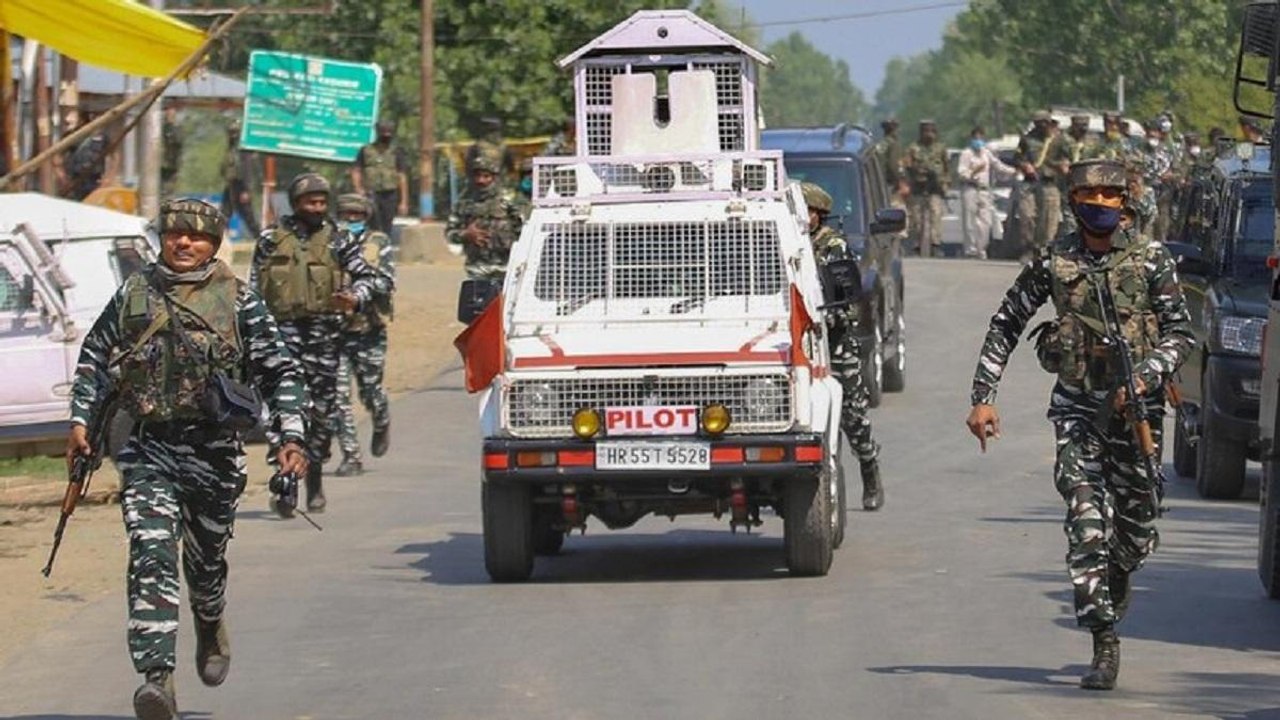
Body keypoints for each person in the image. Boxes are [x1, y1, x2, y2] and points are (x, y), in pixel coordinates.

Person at [67, 199, 309, 720]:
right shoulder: (135, 293)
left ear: (214, 243)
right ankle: (157, 680)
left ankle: (209, 616)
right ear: (162, 238)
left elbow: (280, 372)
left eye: (196, 237)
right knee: (151, 551)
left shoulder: (240, 301)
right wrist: (80, 420)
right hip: (147, 447)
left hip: (214, 453)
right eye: (175, 233)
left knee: (205, 564)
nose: (184, 243)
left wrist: (291, 436)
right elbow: (93, 359)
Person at [964, 160, 1193, 691]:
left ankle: (1116, 577)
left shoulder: (1152, 260)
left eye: (1109, 195)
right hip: (1078, 411)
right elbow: (1006, 322)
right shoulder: (1054, 260)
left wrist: (1145, 376)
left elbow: (1181, 332)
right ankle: (1104, 643)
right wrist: (983, 398)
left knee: (1136, 531)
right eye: (1089, 194)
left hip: (1137, 412)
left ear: (1125, 202)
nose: (1100, 203)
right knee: (1085, 522)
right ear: (1072, 200)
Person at [249, 173, 392, 511]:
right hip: (280, 339)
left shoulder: (338, 240)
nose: (317, 208)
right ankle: (285, 487)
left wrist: (355, 297)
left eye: (321, 202)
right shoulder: (270, 239)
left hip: (324, 338)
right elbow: (253, 290)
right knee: (280, 414)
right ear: (296, 204)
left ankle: (314, 480)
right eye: (310, 202)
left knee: (322, 415)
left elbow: (372, 277)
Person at [801, 182, 883, 509]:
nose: (801, 218)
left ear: (818, 215)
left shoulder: (833, 247)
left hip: (835, 342)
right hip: (802, 345)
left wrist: (826, 318)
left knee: (853, 415)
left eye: (807, 212)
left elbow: (849, 303)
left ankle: (869, 469)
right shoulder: (788, 241)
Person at [331, 193, 396, 477]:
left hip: (368, 329)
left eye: (357, 216)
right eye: (347, 215)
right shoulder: (328, 242)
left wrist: (357, 294)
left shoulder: (378, 242)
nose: (351, 220)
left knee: (371, 392)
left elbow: (386, 280)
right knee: (338, 396)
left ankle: (381, 420)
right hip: (335, 332)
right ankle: (351, 455)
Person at [446, 152, 527, 280]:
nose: (481, 180)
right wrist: (465, 234)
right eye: (477, 176)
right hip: (477, 268)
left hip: (507, 266)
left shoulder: (510, 200)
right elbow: (450, 234)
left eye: (486, 176)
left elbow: (526, 230)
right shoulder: (464, 203)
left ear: (494, 178)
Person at [956, 126, 1017, 259]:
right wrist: (972, 173)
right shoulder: (966, 154)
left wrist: (1014, 170)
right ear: (971, 139)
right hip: (970, 188)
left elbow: (998, 166)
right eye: (976, 138)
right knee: (970, 221)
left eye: (980, 138)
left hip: (984, 190)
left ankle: (981, 248)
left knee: (986, 222)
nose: (978, 141)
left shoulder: (986, 153)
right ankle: (970, 249)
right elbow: (961, 172)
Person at [1015, 110, 1064, 255]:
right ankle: (1029, 246)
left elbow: (1070, 157)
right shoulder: (1027, 139)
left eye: (1044, 122)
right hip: (1030, 183)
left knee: (1048, 219)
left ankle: (1043, 248)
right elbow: (1017, 157)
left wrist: (1062, 165)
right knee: (1027, 215)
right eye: (1038, 123)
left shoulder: (1058, 140)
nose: (1041, 125)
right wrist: (1025, 165)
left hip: (1049, 182)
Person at [351, 120, 409, 234]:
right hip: (370, 193)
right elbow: (356, 170)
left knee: (386, 224)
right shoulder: (365, 150)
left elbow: (402, 176)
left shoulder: (396, 151)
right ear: (378, 133)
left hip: (390, 194)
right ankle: (371, 248)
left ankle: (383, 247)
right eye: (384, 133)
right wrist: (358, 189)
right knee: (372, 224)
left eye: (389, 134)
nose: (386, 136)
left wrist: (404, 202)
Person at [902, 119, 948, 257]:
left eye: (931, 131)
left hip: (935, 187)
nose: (929, 134)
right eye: (926, 131)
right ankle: (916, 245)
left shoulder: (940, 148)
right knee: (916, 219)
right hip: (918, 187)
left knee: (936, 215)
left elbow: (946, 168)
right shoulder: (913, 148)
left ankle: (935, 245)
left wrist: (945, 185)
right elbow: (906, 166)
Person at [218, 120, 261, 239]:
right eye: (230, 132)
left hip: (241, 185)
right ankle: (221, 240)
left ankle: (259, 239)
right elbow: (225, 166)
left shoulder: (243, 148)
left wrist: (246, 190)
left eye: (234, 132)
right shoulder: (231, 147)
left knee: (248, 216)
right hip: (231, 184)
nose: (232, 135)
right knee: (224, 213)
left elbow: (247, 169)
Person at [465, 116, 514, 181]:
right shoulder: (504, 147)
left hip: (484, 182)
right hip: (496, 181)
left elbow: (468, 168)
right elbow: (510, 167)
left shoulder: (476, 146)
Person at [66, 129, 108, 201]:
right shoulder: (73, 135)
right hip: (77, 180)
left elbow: (113, 155)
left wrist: (108, 178)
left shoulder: (102, 138)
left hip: (94, 180)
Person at [160, 106, 183, 196]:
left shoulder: (177, 129)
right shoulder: (162, 128)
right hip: (160, 163)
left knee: (168, 189)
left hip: (171, 164)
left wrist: (171, 126)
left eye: (170, 115)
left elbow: (178, 141)